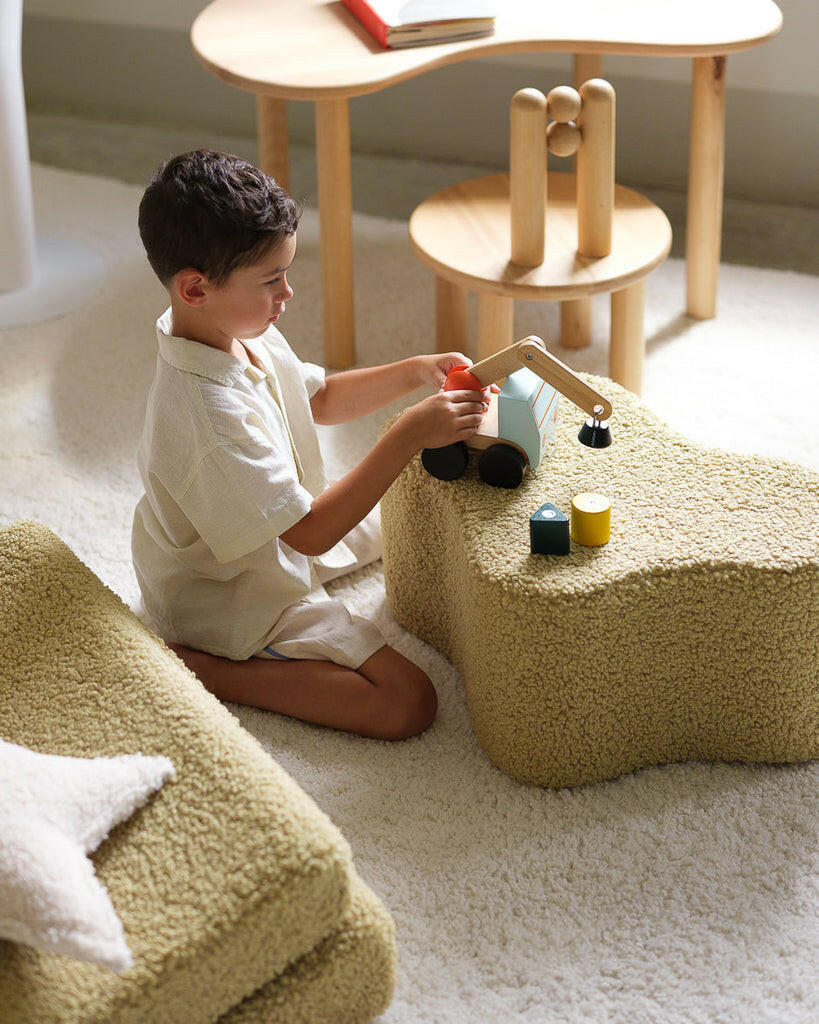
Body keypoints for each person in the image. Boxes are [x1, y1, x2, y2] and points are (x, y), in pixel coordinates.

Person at [132, 149, 489, 741]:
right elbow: (310, 534)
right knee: (408, 702)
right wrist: (406, 433)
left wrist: (416, 370)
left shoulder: (237, 329)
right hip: (228, 593)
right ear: (195, 288)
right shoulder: (208, 415)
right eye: (271, 280)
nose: (288, 293)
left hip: (280, 533)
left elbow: (319, 399)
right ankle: (209, 670)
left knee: (410, 512)